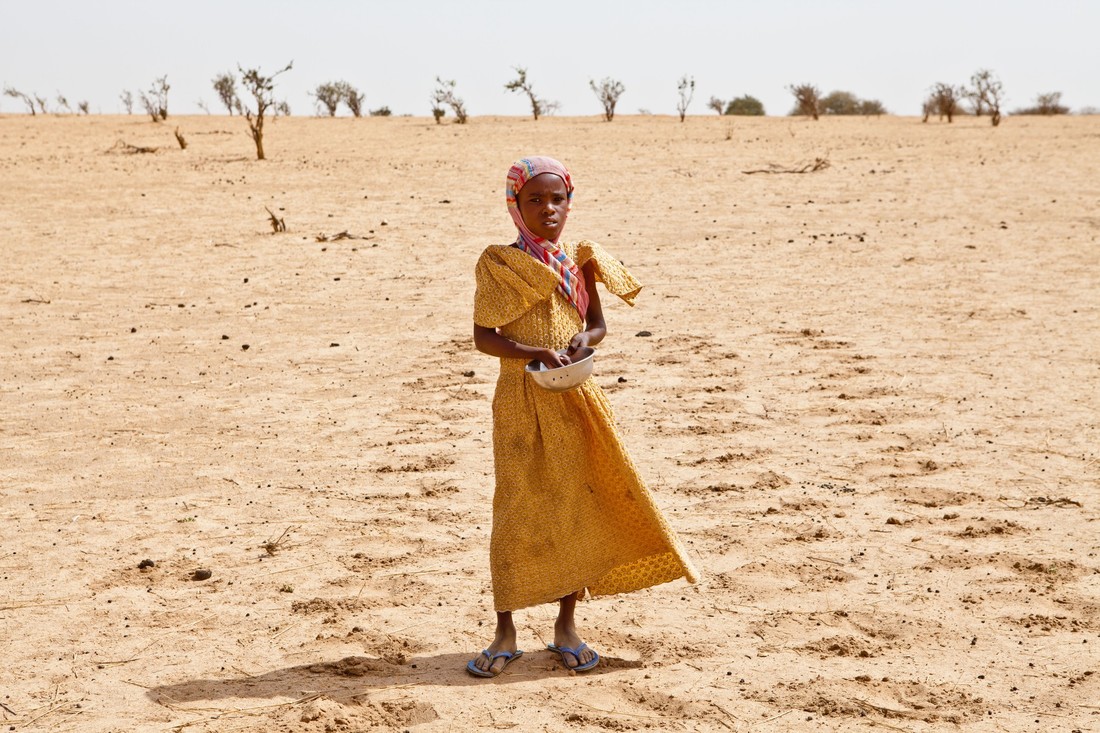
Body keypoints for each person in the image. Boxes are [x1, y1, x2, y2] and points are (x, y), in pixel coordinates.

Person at [468, 156, 698, 678]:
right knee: (515, 510)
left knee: (578, 507)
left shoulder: (581, 262)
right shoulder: (499, 263)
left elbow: (596, 324)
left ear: (569, 203)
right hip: (521, 399)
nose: (548, 210)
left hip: (578, 396)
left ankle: (565, 626)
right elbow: (484, 337)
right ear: (515, 205)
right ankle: (505, 631)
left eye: (558, 199)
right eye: (535, 200)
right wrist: (531, 349)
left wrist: (581, 342)